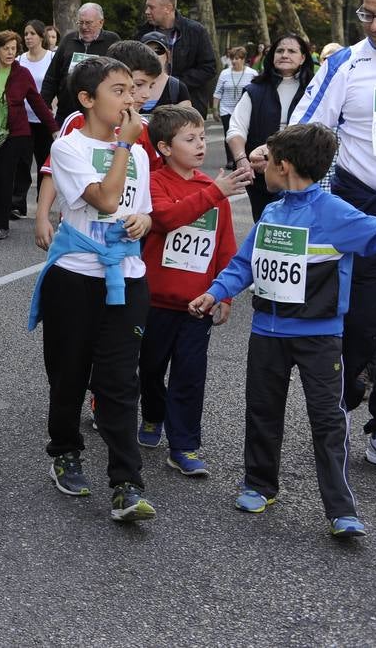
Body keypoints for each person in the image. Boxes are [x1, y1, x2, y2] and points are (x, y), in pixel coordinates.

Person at [190, 122, 376, 538]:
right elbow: (245, 264)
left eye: (266, 159)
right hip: (267, 332)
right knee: (262, 411)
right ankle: (260, 485)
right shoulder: (273, 212)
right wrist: (215, 292)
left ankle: (341, 510)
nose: (259, 165)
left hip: (320, 336)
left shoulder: (336, 213)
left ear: (284, 165)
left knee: (327, 420)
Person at [28, 55, 155, 522]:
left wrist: (145, 219)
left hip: (128, 278)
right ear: (87, 100)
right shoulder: (70, 148)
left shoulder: (139, 152)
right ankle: (64, 450)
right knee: (69, 374)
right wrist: (123, 146)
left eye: (132, 91)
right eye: (118, 91)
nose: (130, 100)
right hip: (76, 276)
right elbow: (102, 198)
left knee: (121, 382)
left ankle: (126, 484)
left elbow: (136, 207)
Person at [285, 0, 376, 470]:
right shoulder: (347, 63)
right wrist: (275, 152)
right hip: (360, 202)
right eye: (368, 15)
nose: (375, 26)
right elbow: (307, 122)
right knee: (364, 321)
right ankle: (342, 403)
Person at [137, 105, 249, 476]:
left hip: (196, 303)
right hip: (154, 299)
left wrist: (225, 294)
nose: (201, 145)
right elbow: (167, 218)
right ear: (166, 147)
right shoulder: (154, 182)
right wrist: (215, 192)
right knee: (149, 368)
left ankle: (184, 445)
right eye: (191, 139)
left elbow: (225, 246)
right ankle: (153, 415)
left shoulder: (209, 188)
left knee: (189, 374)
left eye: (203, 137)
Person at [33, 40, 164, 251]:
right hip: (80, 233)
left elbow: (153, 181)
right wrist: (41, 216)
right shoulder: (78, 122)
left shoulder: (143, 129)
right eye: (137, 85)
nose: (145, 94)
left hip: (122, 240)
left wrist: (145, 218)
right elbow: (51, 172)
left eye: (151, 85)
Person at [0, 30, 54, 240]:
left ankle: (0, 225)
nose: (10, 52)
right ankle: (0, 211)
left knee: (5, 176)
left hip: (15, 133)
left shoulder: (22, 74)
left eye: (14, 48)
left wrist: (54, 128)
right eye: (6, 48)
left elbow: (38, 103)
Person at [226, 33, 315, 222]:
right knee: (265, 229)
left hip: (303, 175)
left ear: (303, 57)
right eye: (280, 50)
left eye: (292, 51)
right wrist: (242, 160)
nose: (285, 54)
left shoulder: (314, 91)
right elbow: (236, 129)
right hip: (261, 178)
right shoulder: (255, 90)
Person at [39, 3, 122, 125]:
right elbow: (52, 76)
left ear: (101, 22)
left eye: (88, 23)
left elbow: (121, 76)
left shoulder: (112, 41)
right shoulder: (68, 40)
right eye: (80, 22)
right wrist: (44, 105)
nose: (84, 27)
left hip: (98, 115)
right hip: (66, 113)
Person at [139, 0, 217, 113]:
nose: (147, 11)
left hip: (189, 105)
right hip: (149, 105)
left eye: (151, 7)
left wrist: (173, 84)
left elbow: (209, 68)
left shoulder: (195, 31)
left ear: (168, 8)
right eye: (147, 6)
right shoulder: (142, 33)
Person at [13, 19, 56, 218]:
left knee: (43, 163)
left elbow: (56, 84)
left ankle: (42, 203)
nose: (28, 37)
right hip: (24, 119)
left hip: (45, 119)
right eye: (26, 33)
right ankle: (17, 202)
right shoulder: (20, 59)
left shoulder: (51, 58)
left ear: (41, 36)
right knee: (21, 161)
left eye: (32, 34)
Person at [213, 45, 257, 167]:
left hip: (244, 109)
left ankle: (245, 156)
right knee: (229, 134)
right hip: (226, 109)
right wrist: (215, 109)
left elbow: (257, 92)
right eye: (232, 58)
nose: (234, 61)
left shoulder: (252, 73)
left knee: (246, 134)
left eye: (237, 58)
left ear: (243, 59)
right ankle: (231, 160)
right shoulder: (224, 73)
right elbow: (217, 92)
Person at [138, 30, 193, 117]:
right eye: (147, 51)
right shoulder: (129, 86)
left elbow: (186, 124)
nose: (153, 55)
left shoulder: (177, 87)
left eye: (158, 51)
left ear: (168, 55)